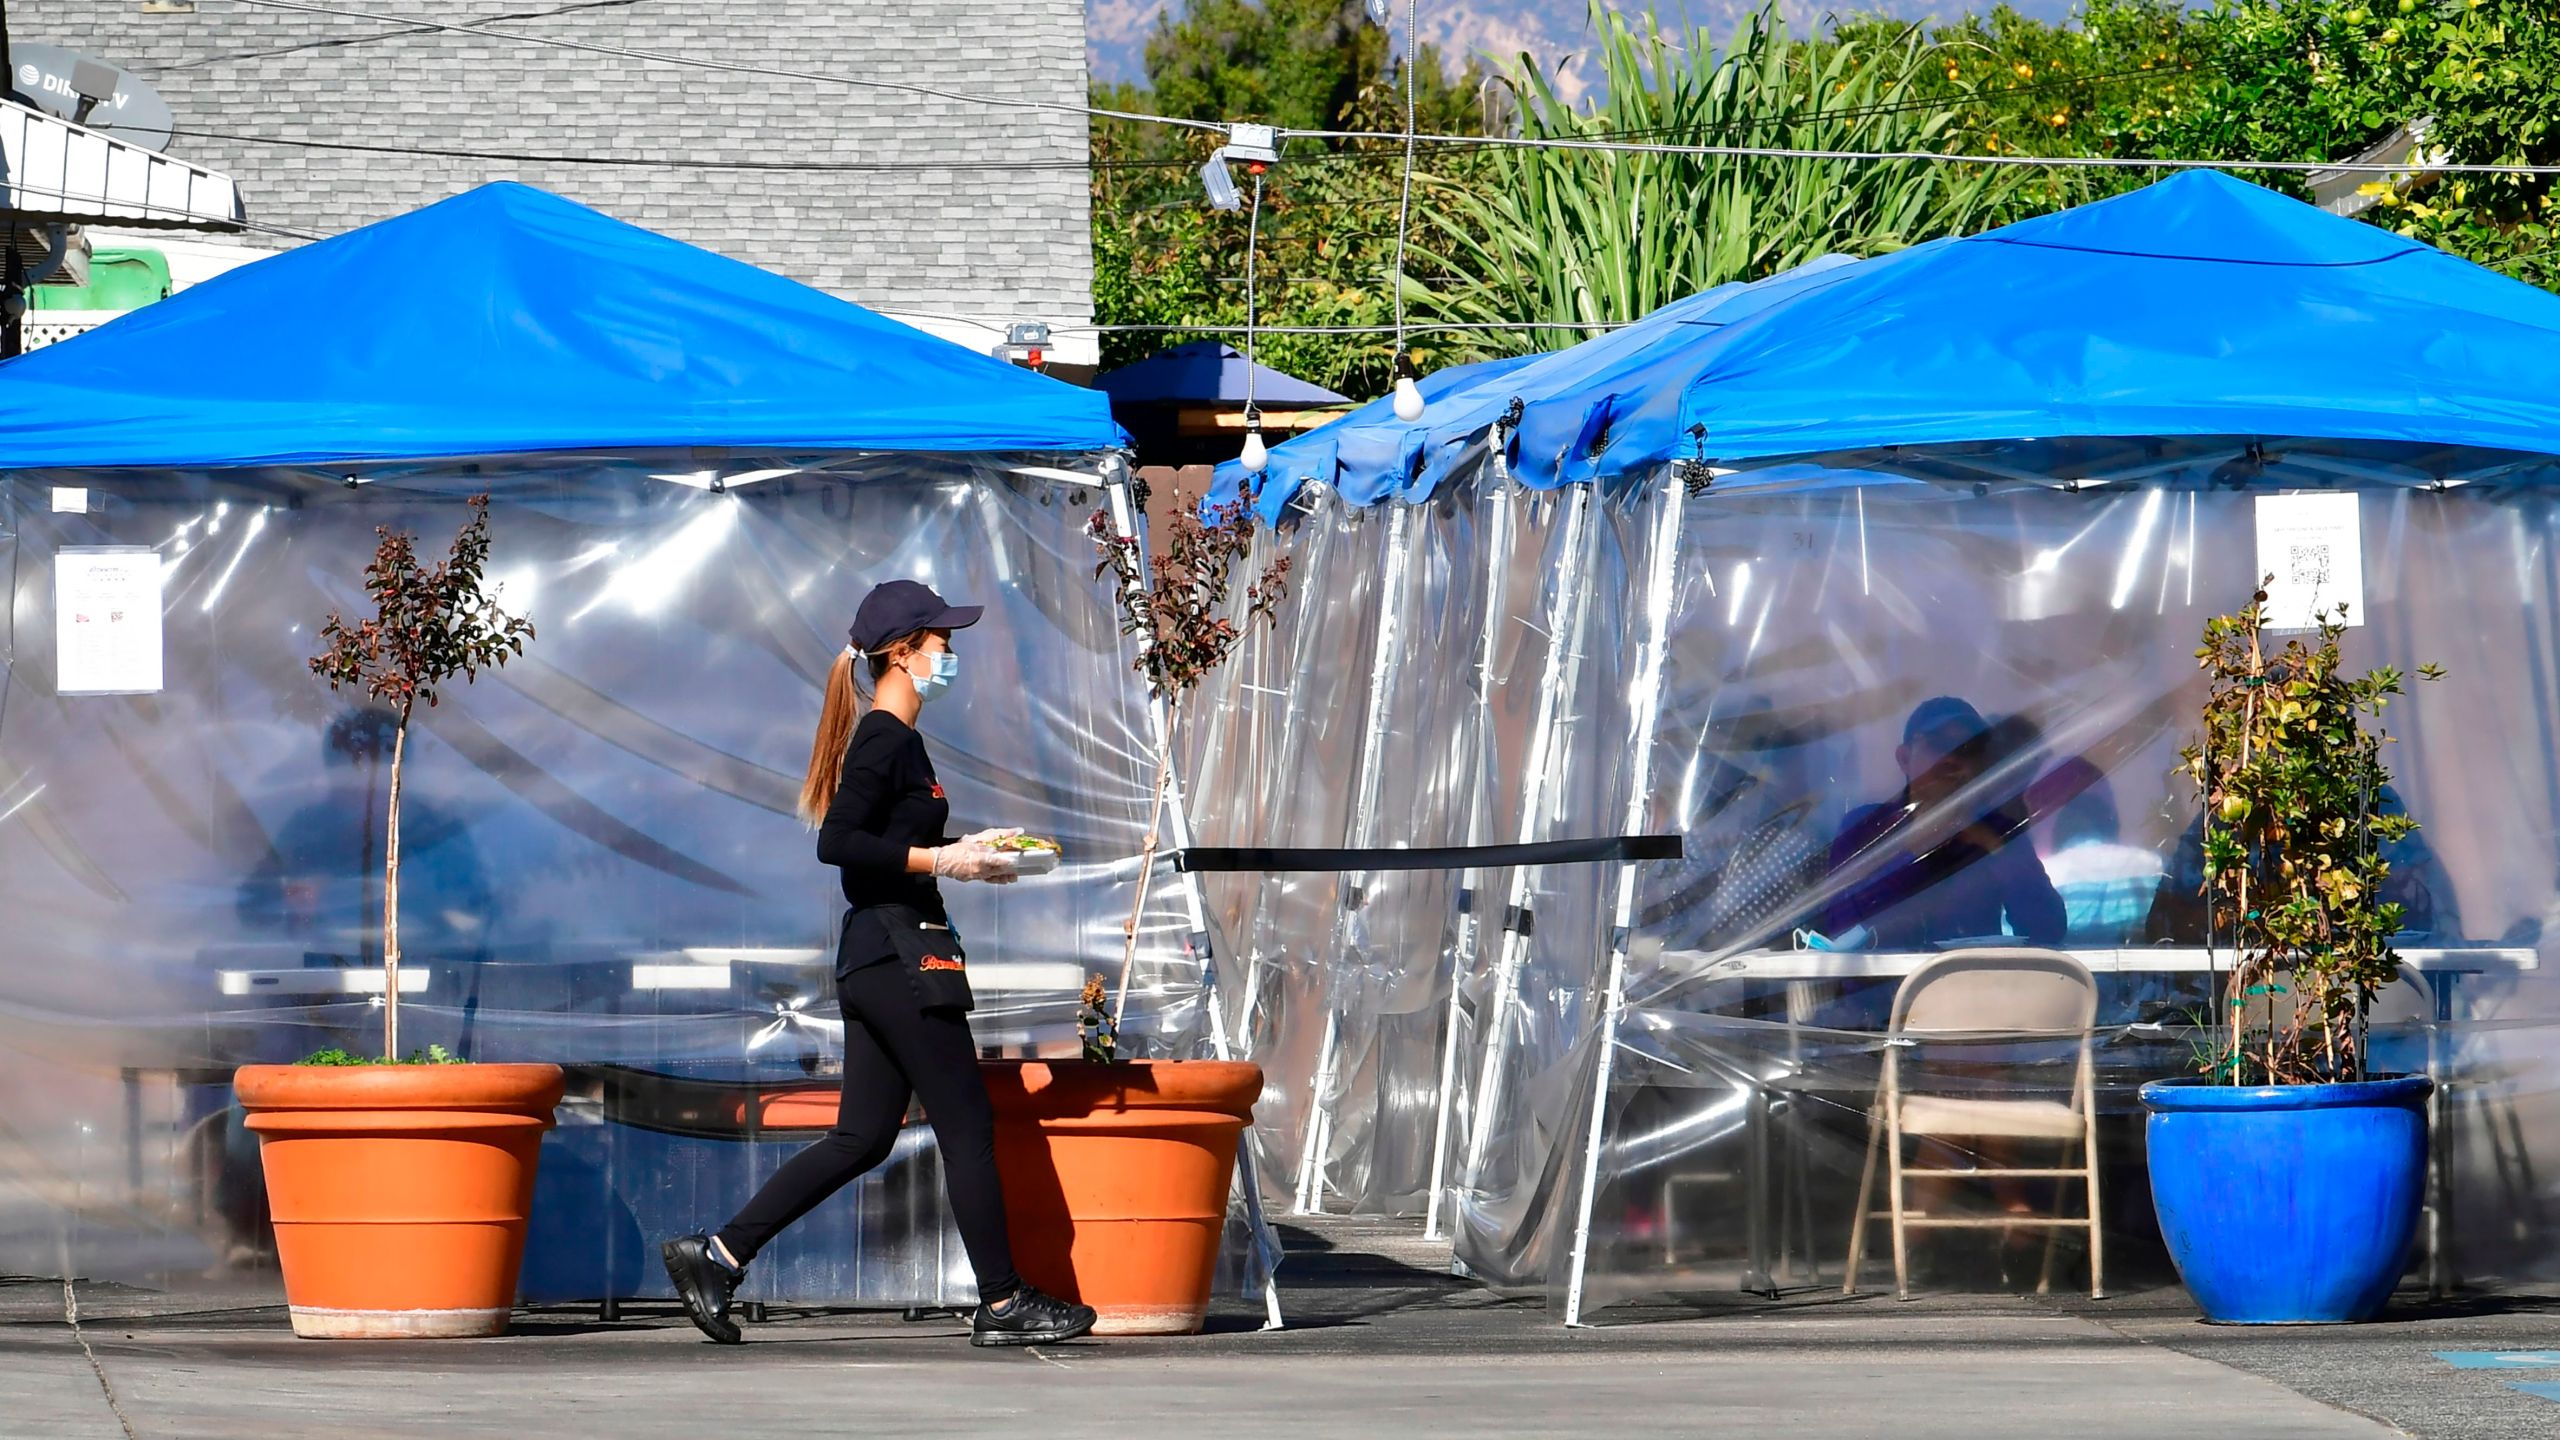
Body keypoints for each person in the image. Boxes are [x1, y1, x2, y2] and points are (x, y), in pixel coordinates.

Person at [661, 580, 1096, 1348]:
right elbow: (840, 844)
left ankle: (719, 1255)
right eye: (943, 641)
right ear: (904, 652)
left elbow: (885, 854)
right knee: (968, 1126)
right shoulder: (885, 738)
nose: (951, 653)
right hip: (901, 959)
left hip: (882, 955)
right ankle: (1001, 1303)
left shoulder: (902, 740)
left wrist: (970, 857)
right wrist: (943, 860)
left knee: (861, 1138)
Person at [1822, 697, 2066, 949]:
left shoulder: (1995, 829)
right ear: (1904, 758)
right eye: (1938, 743)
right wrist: (1913, 852)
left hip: (1973, 984)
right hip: (1882, 987)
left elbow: (2049, 929)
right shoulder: (1865, 827)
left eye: (1970, 749)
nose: (1952, 758)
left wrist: (2000, 852)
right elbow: (1840, 926)